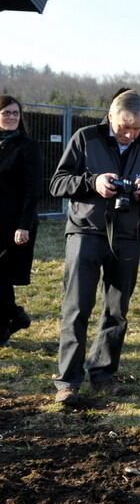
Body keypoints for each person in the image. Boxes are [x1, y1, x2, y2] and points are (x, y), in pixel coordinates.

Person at [50, 89, 140, 405]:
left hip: (127, 236)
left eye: (137, 129)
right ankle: (68, 381)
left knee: (117, 310)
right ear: (110, 116)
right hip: (86, 232)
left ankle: (103, 374)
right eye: (124, 127)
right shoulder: (86, 137)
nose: (130, 134)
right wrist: (93, 182)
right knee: (77, 307)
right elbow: (57, 182)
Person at [0, 96, 42, 347]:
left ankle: (9, 321)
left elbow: (32, 189)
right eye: (6, 112)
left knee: (1, 274)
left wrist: (23, 225)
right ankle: (14, 316)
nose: (12, 117)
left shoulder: (27, 146)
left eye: (15, 113)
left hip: (14, 224)